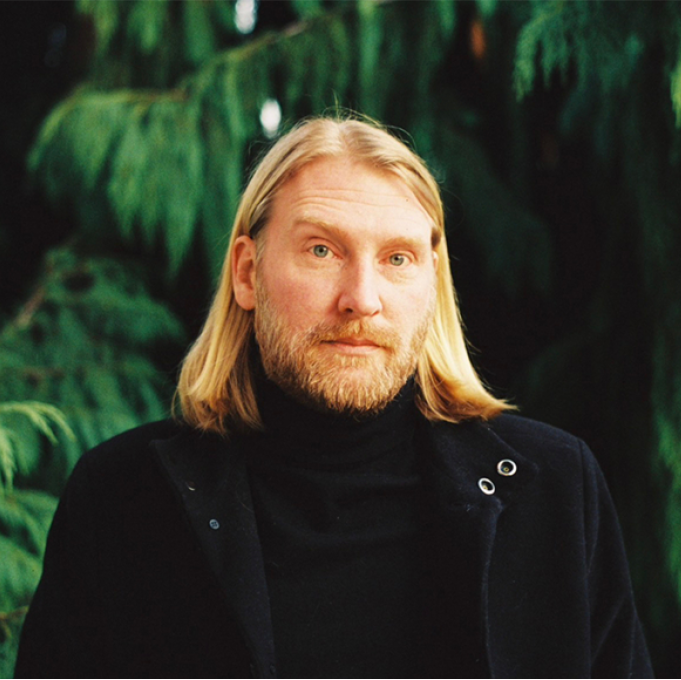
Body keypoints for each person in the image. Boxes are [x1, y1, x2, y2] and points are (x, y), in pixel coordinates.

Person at [15, 116, 653, 679]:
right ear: (247, 273)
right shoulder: (123, 499)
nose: (362, 299)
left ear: (432, 283)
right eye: (322, 250)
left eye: (398, 258)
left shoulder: (553, 490)